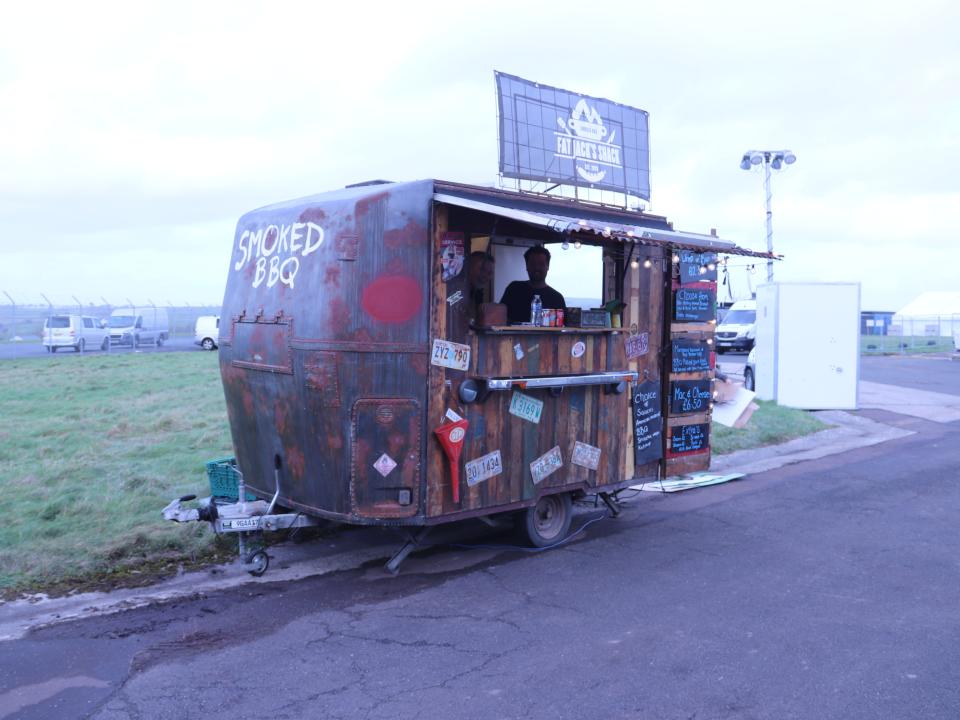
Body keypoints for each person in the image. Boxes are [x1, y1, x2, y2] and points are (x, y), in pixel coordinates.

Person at [499, 245, 566, 324]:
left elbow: (562, 329)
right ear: (527, 266)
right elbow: (499, 316)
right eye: (533, 264)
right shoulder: (514, 288)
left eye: (541, 264)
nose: (537, 268)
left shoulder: (557, 298)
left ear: (548, 266)